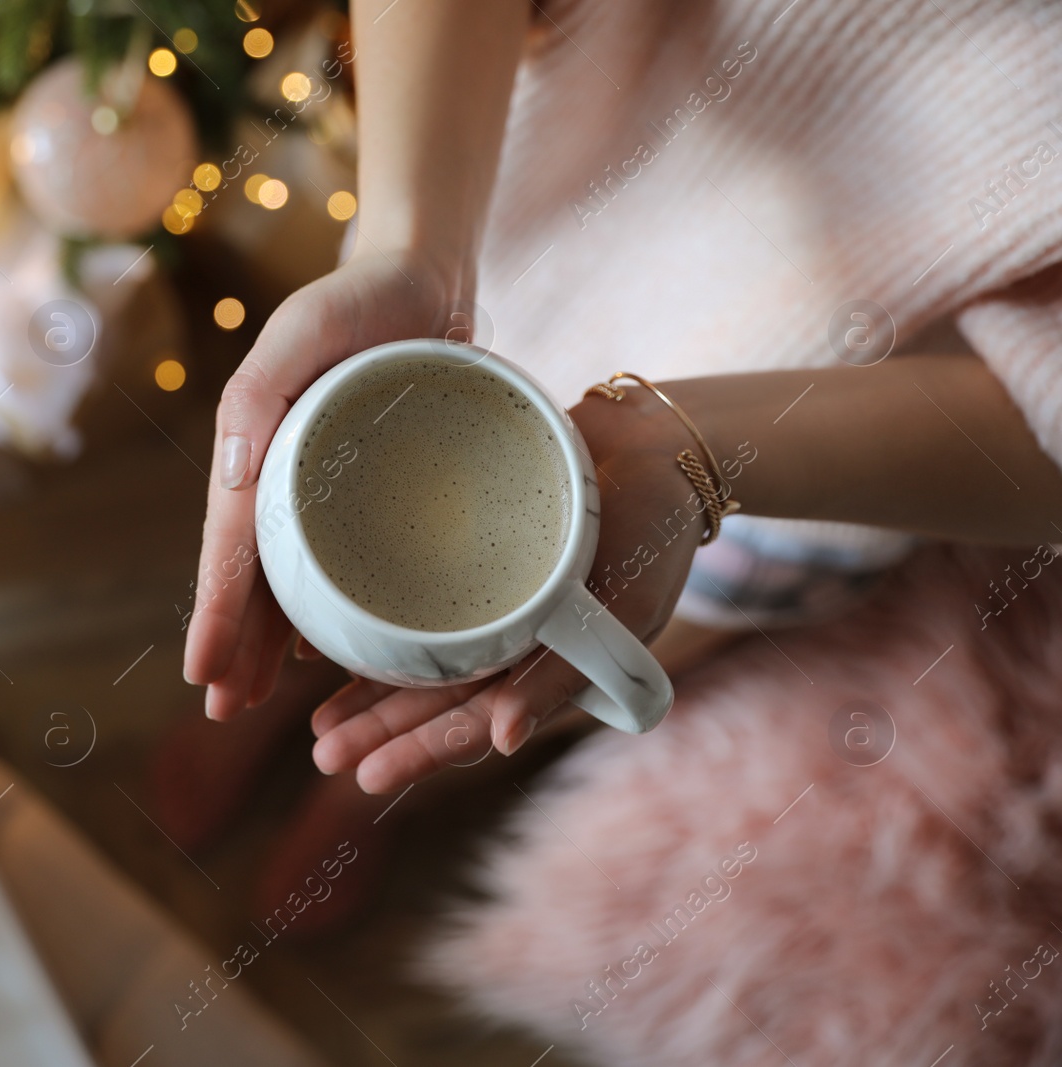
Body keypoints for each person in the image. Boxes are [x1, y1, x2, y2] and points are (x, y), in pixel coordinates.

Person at [171, 0, 1062, 927]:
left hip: (812, 465)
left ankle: (364, 794)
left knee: (524, 674)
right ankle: (283, 700)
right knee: (335, 622)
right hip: (519, 221)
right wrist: (413, 248)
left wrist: (688, 452)